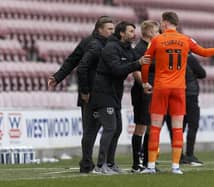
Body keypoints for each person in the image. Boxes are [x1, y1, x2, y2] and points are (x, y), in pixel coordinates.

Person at [141, 11, 214, 174]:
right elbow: (204, 52)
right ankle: (176, 167)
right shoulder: (186, 40)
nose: (160, 24)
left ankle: (151, 166)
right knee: (177, 128)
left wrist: (146, 81)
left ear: (166, 22)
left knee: (155, 128)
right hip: (179, 89)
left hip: (161, 87)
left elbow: (146, 62)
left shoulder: (156, 40)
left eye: (161, 22)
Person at [48, 16, 114, 173]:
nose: (112, 32)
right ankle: (89, 163)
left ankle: (91, 163)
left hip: (103, 94)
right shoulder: (91, 43)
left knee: (97, 129)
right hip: (91, 94)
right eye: (109, 29)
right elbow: (74, 62)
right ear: (100, 29)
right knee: (92, 129)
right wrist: (58, 77)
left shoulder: (109, 44)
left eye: (113, 29)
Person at [91, 21, 150, 174]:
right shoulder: (111, 48)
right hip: (103, 92)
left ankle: (110, 164)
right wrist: (137, 63)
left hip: (115, 93)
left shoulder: (127, 48)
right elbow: (117, 70)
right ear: (122, 33)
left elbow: (136, 61)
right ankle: (100, 165)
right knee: (110, 128)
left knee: (117, 129)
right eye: (130, 31)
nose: (133, 34)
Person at [165, 53, 206, 166]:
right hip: (189, 94)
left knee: (176, 126)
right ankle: (189, 155)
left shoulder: (167, 55)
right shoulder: (188, 57)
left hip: (172, 93)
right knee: (193, 124)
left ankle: (178, 155)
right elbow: (202, 73)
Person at [130, 20, 159, 173]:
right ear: (147, 32)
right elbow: (136, 70)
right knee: (141, 125)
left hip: (154, 91)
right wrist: (145, 84)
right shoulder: (140, 48)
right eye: (156, 30)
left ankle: (149, 162)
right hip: (143, 91)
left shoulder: (154, 47)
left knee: (150, 126)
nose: (158, 32)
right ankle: (136, 163)